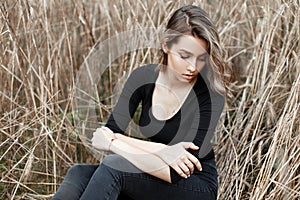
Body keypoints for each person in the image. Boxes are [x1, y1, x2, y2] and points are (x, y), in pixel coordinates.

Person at [52, 5, 231, 200]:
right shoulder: (142, 78)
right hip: (151, 172)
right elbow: (104, 136)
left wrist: (114, 143)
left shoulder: (210, 95)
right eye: (185, 56)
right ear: (166, 45)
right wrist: (164, 151)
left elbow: (176, 171)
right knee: (78, 173)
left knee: (114, 166)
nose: (192, 67)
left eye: (201, 58)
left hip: (194, 185)